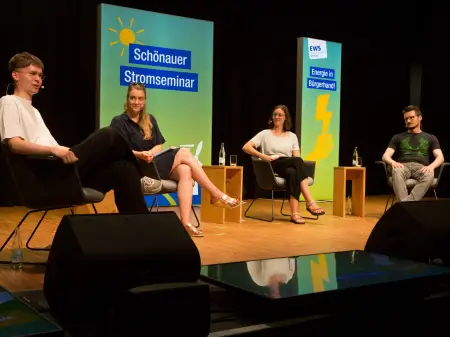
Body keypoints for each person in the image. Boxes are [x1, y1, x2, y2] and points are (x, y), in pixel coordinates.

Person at [0, 52, 150, 214]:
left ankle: (140, 229)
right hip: (46, 176)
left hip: (62, 171)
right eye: (32, 74)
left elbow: (50, 144)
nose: (38, 79)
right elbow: (14, 144)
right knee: (108, 134)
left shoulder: (34, 110)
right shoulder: (9, 101)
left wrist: (59, 149)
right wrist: (54, 150)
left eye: (40, 75)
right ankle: (145, 177)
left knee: (124, 168)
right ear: (15, 75)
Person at [110, 82, 243, 237]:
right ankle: (216, 194)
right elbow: (119, 150)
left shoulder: (149, 119)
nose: (136, 102)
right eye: (133, 98)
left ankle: (186, 223)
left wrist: (150, 152)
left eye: (140, 99)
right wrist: (140, 154)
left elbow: (158, 146)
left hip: (153, 163)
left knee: (185, 170)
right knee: (184, 152)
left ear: (145, 100)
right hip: (135, 167)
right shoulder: (119, 121)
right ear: (127, 99)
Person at [242, 104, 325, 224]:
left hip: (286, 164)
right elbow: (246, 147)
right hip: (271, 165)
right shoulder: (265, 133)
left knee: (292, 172)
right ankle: (310, 201)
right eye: (275, 114)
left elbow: (297, 156)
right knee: (296, 162)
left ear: (285, 117)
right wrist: (263, 156)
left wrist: (298, 168)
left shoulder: (292, 136)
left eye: (280, 114)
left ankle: (295, 214)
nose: (277, 117)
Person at [381, 105, 444, 202]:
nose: (408, 121)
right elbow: (385, 156)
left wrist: (431, 166)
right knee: (396, 171)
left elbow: (440, 157)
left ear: (420, 118)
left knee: (429, 174)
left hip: (421, 167)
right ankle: (408, 208)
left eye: (411, 117)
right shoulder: (398, 137)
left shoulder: (431, 137)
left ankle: (405, 205)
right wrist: (393, 162)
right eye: (406, 119)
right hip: (403, 166)